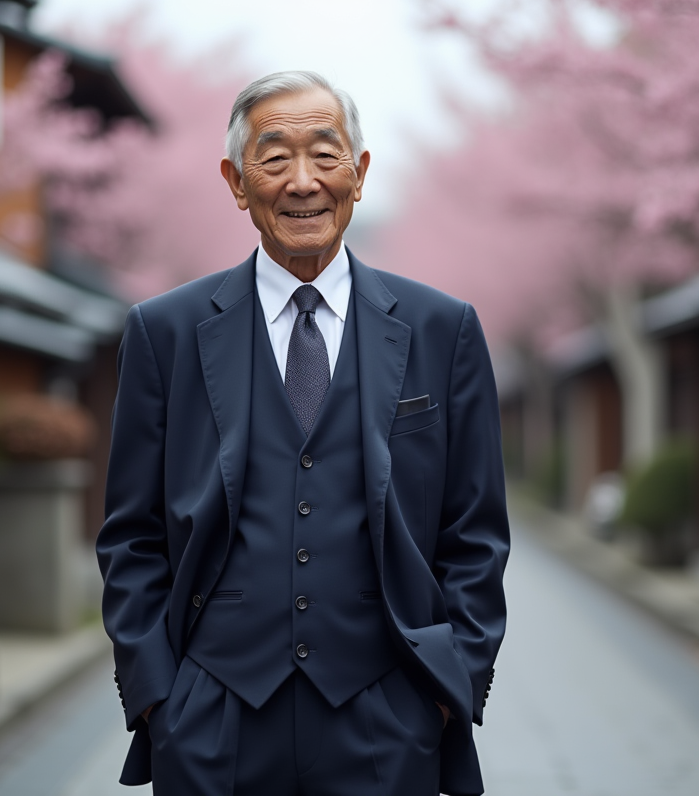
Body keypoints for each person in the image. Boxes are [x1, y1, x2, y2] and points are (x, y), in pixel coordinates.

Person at [98, 70, 509, 796]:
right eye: (274, 157)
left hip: (390, 715)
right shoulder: (165, 332)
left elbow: (474, 532)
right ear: (235, 181)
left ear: (360, 173)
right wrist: (159, 696)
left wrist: (449, 687)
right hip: (210, 716)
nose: (302, 182)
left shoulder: (443, 330)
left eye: (324, 155)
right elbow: (130, 535)